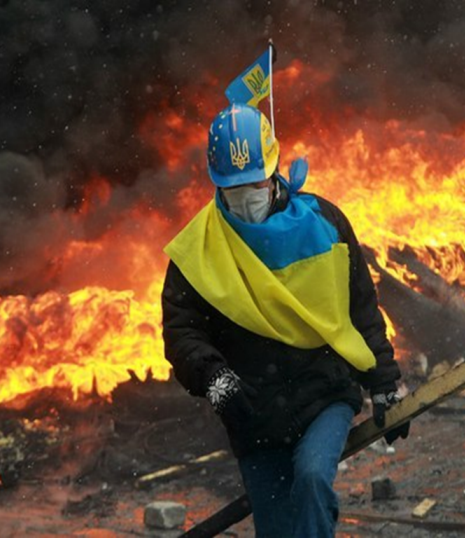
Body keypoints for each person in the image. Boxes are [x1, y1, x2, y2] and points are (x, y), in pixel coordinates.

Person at [161, 103, 409, 537]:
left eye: (254, 183)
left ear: (273, 171)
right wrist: (215, 378)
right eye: (234, 188)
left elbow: (361, 309)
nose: (246, 196)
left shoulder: (324, 225)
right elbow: (182, 332)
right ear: (217, 184)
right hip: (253, 417)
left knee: (312, 478)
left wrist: (384, 382)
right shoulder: (197, 251)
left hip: (325, 395)